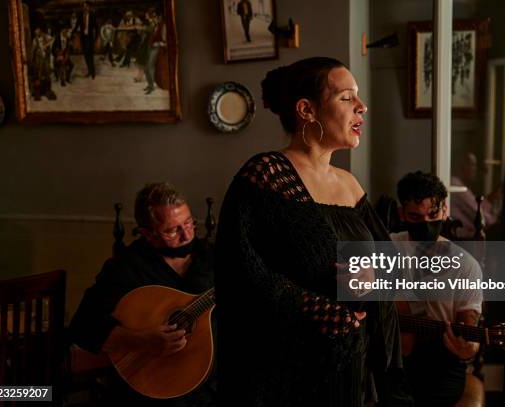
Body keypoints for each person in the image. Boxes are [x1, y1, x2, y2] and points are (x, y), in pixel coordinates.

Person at [214, 57, 412, 407]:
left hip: (357, 369)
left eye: (359, 98)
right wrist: (315, 308)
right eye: (347, 97)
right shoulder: (267, 175)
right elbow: (238, 270)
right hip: (290, 377)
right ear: (306, 109)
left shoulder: (349, 184)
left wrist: (373, 277)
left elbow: (390, 263)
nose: (362, 107)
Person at [69, 182, 216, 406]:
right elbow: (84, 326)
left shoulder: (213, 256)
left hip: (213, 379)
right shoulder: (127, 267)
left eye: (188, 222)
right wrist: (142, 341)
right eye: (171, 229)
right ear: (147, 233)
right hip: (153, 387)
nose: (186, 235)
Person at [391, 171, 483, 407]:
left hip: (441, 363)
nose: (426, 224)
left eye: (433, 214)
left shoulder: (465, 266)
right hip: (392, 358)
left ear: (444, 209)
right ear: (402, 214)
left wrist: (468, 348)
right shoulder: (387, 246)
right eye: (415, 216)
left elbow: (468, 327)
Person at [450, 152, 502, 239]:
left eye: (475, 165)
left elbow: (477, 207)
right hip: (463, 241)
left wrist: (491, 198)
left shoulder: (462, 186)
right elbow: (484, 219)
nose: (475, 169)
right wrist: (496, 217)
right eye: (471, 165)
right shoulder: (457, 186)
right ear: (460, 166)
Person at [144, 9, 166, 94]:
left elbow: (164, 40)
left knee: (150, 66)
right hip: (150, 47)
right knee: (146, 67)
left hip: (156, 48)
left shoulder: (162, 26)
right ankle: (149, 85)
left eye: (157, 17)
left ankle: (152, 86)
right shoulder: (155, 25)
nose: (156, 18)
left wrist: (158, 43)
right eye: (155, 17)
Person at [78, 1, 97, 79]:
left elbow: (96, 27)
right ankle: (89, 71)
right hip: (83, 38)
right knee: (86, 55)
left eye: (86, 6)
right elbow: (76, 25)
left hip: (90, 38)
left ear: (89, 7)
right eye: (84, 6)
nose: (85, 8)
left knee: (90, 56)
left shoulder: (92, 15)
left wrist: (96, 38)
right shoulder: (80, 15)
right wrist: (71, 33)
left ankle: (93, 73)